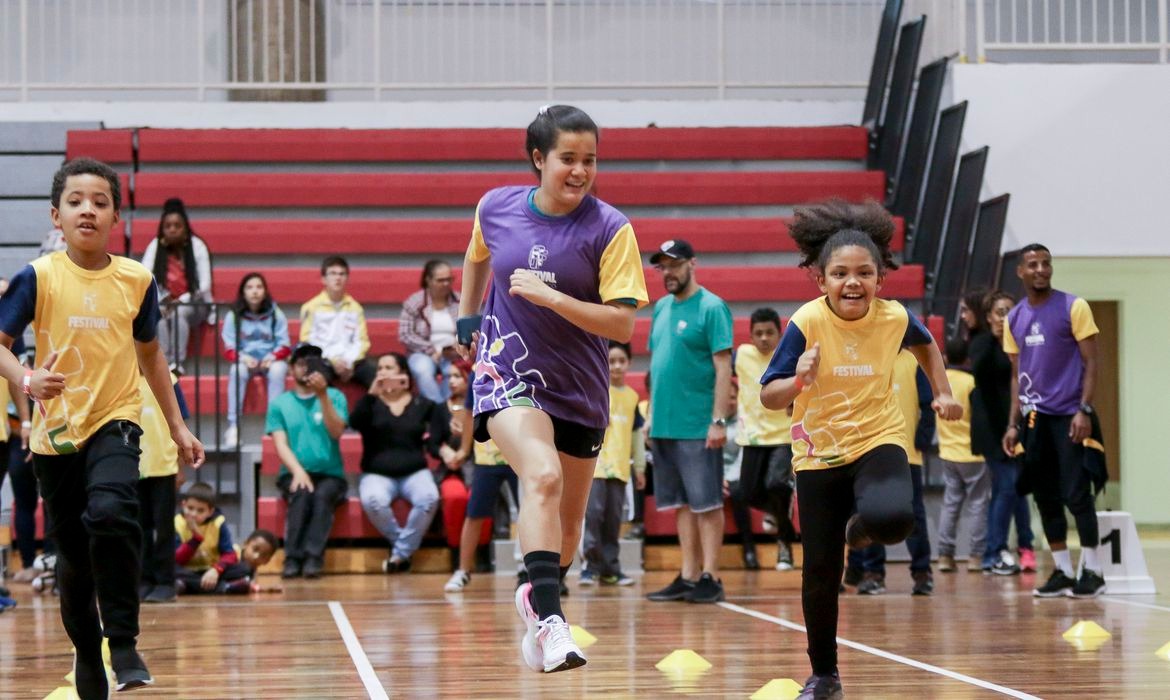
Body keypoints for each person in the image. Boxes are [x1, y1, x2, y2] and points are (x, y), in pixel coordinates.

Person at [0, 158, 204, 698]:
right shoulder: (37, 277)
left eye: (99, 201)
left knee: (113, 512)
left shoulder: (137, 279)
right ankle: (88, 654)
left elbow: (152, 358)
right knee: (72, 556)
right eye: (75, 201)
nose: (86, 209)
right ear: (55, 216)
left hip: (116, 418)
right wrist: (26, 377)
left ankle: (124, 640)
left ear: (115, 215)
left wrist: (178, 428)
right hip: (55, 433)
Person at [457, 105, 648, 673]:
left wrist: (553, 298)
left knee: (570, 528)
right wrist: (469, 320)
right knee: (540, 475)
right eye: (568, 158)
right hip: (506, 374)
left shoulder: (611, 228)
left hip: (580, 387)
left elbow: (622, 324)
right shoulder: (495, 207)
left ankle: (536, 596)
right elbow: (476, 258)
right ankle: (550, 623)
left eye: (590, 160)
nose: (580, 170)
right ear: (539, 159)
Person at [759, 199, 960, 699]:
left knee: (896, 518)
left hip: (878, 438)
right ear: (821, 280)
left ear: (880, 279)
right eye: (841, 273)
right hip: (819, 454)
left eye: (864, 273)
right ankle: (824, 675)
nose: (853, 282)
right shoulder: (806, 322)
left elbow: (926, 344)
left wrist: (944, 391)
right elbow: (769, 395)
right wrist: (798, 379)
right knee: (821, 570)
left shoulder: (894, 318)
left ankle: (860, 527)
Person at [1001, 244, 1105, 599]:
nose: (1041, 269)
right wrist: (1012, 424)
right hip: (1034, 420)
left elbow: (1092, 362)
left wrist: (1084, 410)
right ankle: (1061, 571)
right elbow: (1017, 375)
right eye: (1033, 264)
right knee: (1044, 496)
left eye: (1046, 263)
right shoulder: (1013, 318)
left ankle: (1092, 570)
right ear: (1021, 272)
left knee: (1077, 493)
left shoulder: (1073, 307)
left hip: (1071, 416)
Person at [644, 238, 734, 605]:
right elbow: (657, 368)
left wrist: (718, 420)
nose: (668, 272)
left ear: (692, 264)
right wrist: (650, 416)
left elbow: (724, 366)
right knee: (681, 503)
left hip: (698, 424)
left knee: (707, 503)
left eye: (675, 265)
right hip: (665, 423)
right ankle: (688, 574)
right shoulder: (661, 308)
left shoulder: (712, 307)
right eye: (663, 266)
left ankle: (711, 575)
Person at [350, 351, 456, 573]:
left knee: (429, 498)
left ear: (403, 373)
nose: (382, 372)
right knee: (373, 500)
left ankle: (398, 554)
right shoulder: (370, 403)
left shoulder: (422, 404)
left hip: (414, 471)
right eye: (379, 368)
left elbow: (439, 434)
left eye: (389, 368)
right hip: (376, 472)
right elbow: (355, 422)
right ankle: (403, 551)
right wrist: (372, 393)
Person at [852, 349, 937, 596]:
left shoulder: (913, 361)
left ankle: (922, 573)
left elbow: (927, 404)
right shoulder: (866, 357)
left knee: (914, 516)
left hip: (907, 454)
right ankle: (873, 573)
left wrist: (922, 438)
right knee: (869, 513)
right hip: (870, 454)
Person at [266, 343, 348, 579]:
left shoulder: (334, 396)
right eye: (301, 363)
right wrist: (298, 471)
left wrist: (322, 395)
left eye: (313, 363)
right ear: (291, 369)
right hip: (292, 471)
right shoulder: (280, 403)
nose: (306, 369)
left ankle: (313, 558)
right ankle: (292, 559)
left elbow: (336, 432)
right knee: (301, 493)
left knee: (322, 496)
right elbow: (280, 443)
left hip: (331, 474)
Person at [967, 290, 1035, 575]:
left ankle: (1026, 546)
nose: (1005, 317)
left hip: (1017, 426)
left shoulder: (1021, 347)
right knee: (1007, 486)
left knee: (1019, 490)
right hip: (991, 429)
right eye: (999, 312)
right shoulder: (982, 343)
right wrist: (997, 337)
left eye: (1010, 311)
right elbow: (980, 371)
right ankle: (992, 553)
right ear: (989, 317)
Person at [734, 307, 798, 572]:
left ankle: (784, 542)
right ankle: (780, 514)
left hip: (783, 434)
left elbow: (809, 382)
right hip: (752, 436)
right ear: (750, 335)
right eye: (758, 333)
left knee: (775, 483)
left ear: (779, 333)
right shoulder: (740, 356)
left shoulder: (789, 356)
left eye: (769, 333)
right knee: (746, 494)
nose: (763, 338)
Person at [444, 370, 519, 593]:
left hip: (518, 455)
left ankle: (528, 572)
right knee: (475, 513)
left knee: (529, 512)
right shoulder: (479, 372)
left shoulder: (519, 363)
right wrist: (464, 450)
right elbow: (469, 414)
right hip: (487, 456)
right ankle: (463, 570)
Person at [580, 341, 644, 586]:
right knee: (593, 515)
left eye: (621, 361)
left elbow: (637, 436)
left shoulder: (632, 397)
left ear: (629, 363)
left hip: (619, 469)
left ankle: (610, 568)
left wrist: (638, 467)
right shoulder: (595, 389)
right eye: (611, 361)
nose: (616, 366)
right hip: (595, 467)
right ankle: (590, 567)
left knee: (613, 519)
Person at [934, 338, 990, 574]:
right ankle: (976, 557)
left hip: (947, 451)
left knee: (951, 503)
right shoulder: (972, 382)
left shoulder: (940, 383)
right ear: (968, 359)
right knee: (978, 504)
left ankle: (945, 556)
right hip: (972, 452)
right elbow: (979, 418)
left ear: (945, 358)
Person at [140, 198, 214, 374]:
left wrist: (181, 300)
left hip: (195, 302)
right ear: (162, 229)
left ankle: (178, 363)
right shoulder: (156, 245)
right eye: (168, 226)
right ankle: (165, 362)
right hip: (166, 300)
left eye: (177, 226)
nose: (172, 229)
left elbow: (204, 285)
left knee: (178, 312)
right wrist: (162, 300)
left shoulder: (197, 246)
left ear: (185, 228)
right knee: (160, 314)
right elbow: (143, 276)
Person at [221, 272, 291, 448]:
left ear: (265, 291)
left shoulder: (276, 314)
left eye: (259, 287)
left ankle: (274, 425)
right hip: (245, 360)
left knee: (278, 370)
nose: (255, 291)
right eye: (250, 287)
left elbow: (285, 345)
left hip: (270, 359)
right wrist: (243, 358)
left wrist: (273, 357)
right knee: (236, 371)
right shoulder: (233, 316)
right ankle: (233, 426)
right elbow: (229, 348)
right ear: (243, 292)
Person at [137, 372, 190, 604]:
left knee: (164, 527)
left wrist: (180, 465)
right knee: (140, 528)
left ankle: (166, 582)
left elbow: (180, 422)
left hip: (164, 465)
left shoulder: (169, 379)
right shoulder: (123, 376)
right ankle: (144, 580)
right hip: (134, 464)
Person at [299, 256, 374, 388]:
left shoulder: (356, 308)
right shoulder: (311, 307)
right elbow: (308, 340)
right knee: (317, 377)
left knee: (377, 378)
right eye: (333, 273)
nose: (337, 278)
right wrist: (333, 361)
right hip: (323, 359)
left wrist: (348, 363)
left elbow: (362, 342)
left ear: (347, 278)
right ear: (323, 279)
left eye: (342, 274)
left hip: (350, 361)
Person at [400, 260, 461, 402]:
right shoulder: (414, 302)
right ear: (428, 280)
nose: (446, 284)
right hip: (422, 352)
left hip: (454, 353)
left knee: (453, 372)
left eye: (449, 279)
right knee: (423, 371)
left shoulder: (460, 300)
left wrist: (458, 346)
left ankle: (448, 409)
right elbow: (405, 334)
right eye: (441, 280)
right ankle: (439, 409)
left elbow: (472, 328)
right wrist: (431, 350)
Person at [173, 482, 242, 593]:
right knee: (168, 569)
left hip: (211, 569)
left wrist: (216, 569)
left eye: (200, 510)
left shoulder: (218, 523)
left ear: (210, 512)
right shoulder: (177, 523)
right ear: (183, 505)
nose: (194, 514)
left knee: (243, 568)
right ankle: (222, 588)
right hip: (187, 570)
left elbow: (230, 554)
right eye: (190, 508)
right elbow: (177, 559)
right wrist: (196, 539)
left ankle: (188, 587)